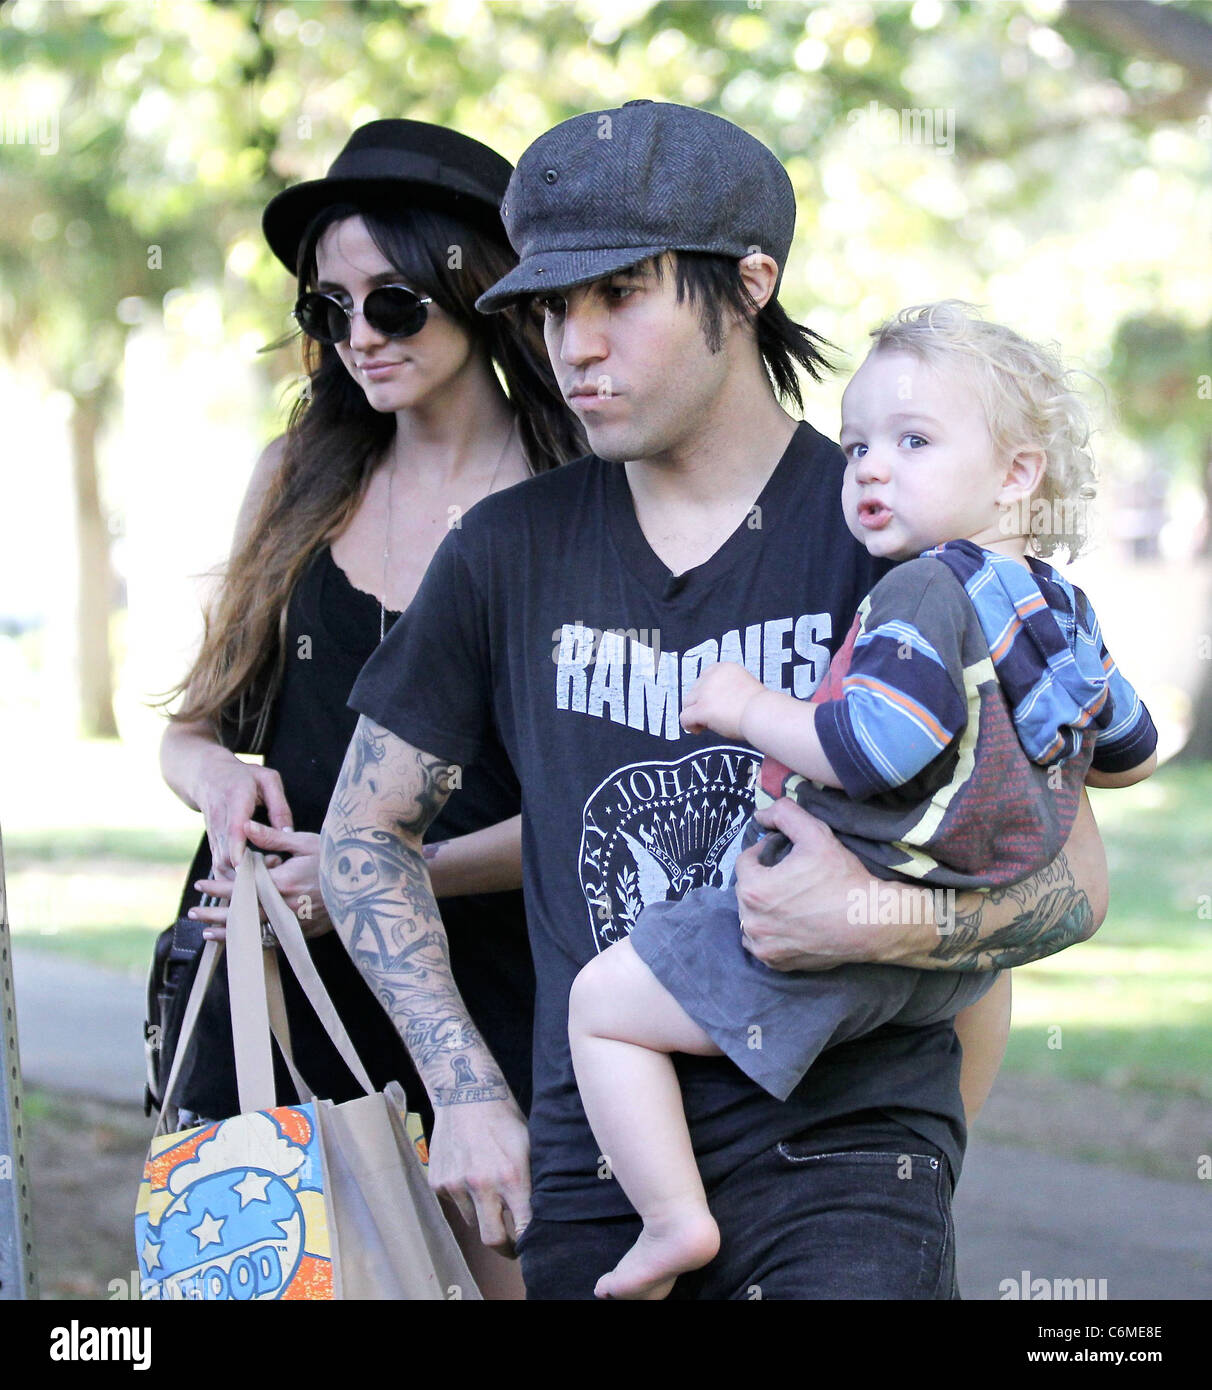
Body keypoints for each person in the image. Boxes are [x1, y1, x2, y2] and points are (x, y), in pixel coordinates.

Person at [319, 102, 1111, 1300]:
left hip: (847, 1146)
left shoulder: (904, 546)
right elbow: (363, 833)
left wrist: (869, 923)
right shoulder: (503, 550)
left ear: (747, 285)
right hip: (603, 1175)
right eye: (546, 309)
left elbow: (1076, 881)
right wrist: (467, 1090)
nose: (571, 346)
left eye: (618, 296)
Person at [565, 300, 1159, 1298]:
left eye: (912, 441)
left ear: (1017, 473)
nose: (871, 467)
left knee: (603, 1005)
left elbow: (867, 747)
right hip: (956, 965)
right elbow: (1132, 751)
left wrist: (752, 705)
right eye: (856, 447)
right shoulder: (1061, 607)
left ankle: (671, 1221)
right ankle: (931, 1185)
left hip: (829, 929)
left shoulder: (922, 593)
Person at [155, 119, 583, 1297]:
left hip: (499, 983)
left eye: (392, 303)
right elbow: (194, 729)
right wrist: (219, 781)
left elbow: (602, 810)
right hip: (273, 976)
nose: (357, 337)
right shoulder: (299, 474)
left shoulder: (578, 495)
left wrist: (371, 876)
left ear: (479, 288)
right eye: (326, 309)